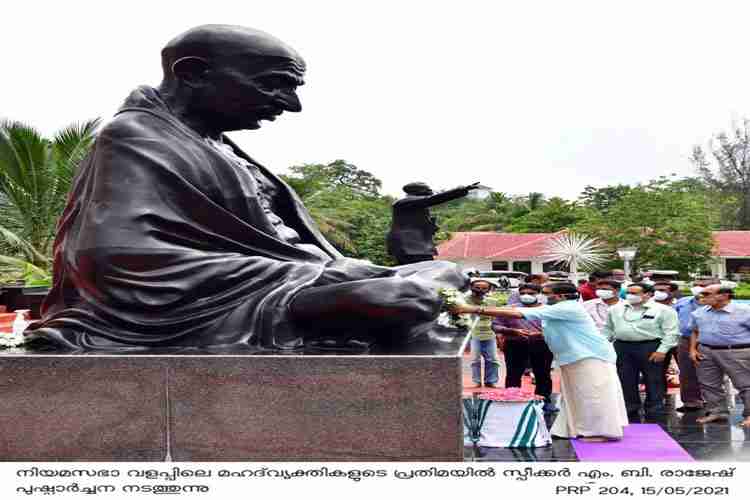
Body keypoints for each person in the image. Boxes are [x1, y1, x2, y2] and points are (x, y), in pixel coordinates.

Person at [27, 24, 468, 351]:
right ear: (194, 73)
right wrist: (308, 277)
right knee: (397, 299)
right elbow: (111, 258)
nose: (291, 105)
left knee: (447, 274)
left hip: (293, 280)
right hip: (220, 300)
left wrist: (327, 271)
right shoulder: (134, 138)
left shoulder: (218, 144)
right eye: (274, 84)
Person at [453, 281, 628, 442]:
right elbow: (558, 329)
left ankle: (602, 432)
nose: (544, 297)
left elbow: (517, 313)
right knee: (576, 395)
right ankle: (575, 428)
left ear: (560, 296)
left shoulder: (568, 307)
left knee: (593, 395)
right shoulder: (561, 308)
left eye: (546, 293)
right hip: (573, 357)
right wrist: (538, 334)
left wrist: (470, 309)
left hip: (590, 356)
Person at [604, 283, 680, 417]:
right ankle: (629, 406)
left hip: (651, 346)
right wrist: (603, 345)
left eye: (634, 293)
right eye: (628, 293)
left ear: (648, 294)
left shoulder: (663, 310)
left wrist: (662, 350)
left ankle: (654, 407)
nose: (630, 296)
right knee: (625, 378)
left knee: (654, 378)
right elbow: (608, 329)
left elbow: (671, 332)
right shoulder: (615, 309)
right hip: (622, 346)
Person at [689, 284, 750, 428]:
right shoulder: (700, 312)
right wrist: (693, 349)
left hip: (736, 352)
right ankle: (717, 412)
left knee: (745, 384)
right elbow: (695, 331)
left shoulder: (745, 311)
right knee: (709, 384)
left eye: (707, 294)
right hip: (705, 351)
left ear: (724, 296)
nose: (701, 297)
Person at [491, 283, 557, 413]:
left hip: (541, 344)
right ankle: (512, 399)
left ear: (539, 295)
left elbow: (556, 328)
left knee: (542, 373)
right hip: (515, 343)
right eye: (523, 293)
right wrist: (511, 330)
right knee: (513, 374)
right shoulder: (509, 309)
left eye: (531, 293)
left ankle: (544, 400)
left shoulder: (548, 310)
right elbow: (495, 325)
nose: (526, 296)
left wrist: (542, 333)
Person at [386, 182, 478, 265]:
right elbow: (433, 199)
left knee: (425, 271)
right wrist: (461, 190)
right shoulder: (404, 202)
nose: (430, 191)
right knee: (419, 272)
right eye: (427, 189)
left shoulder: (418, 205)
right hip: (408, 245)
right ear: (418, 191)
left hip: (417, 245)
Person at [672, 278, 718, 412]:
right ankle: (691, 402)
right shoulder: (683, 302)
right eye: (696, 285)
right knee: (687, 372)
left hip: (711, 340)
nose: (698, 287)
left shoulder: (719, 303)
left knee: (712, 373)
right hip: (685, 339)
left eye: (703, 285)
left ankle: (714, 404)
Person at [464, 278, 502, 388]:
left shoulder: (492, 301)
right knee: (475, 359)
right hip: (472, 333)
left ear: (489, 289)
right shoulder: (463, 300)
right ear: (471, 287)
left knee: (493, 359)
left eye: (484, 288)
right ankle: (476, 381)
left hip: (490, 333)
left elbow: (496, 319)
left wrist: (499, 334)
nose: (480, 290)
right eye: (477, 287)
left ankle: (491, 380)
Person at [653, 281, 680, 394]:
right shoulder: (648, 306)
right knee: (657, 372)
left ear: (673, 292)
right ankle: (660, 397)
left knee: (689, 372)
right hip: (659, 342)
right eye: (655, 290)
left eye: (662, 290)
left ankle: (694, 400)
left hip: (681, 342)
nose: (657, 293)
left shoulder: (681, 304)